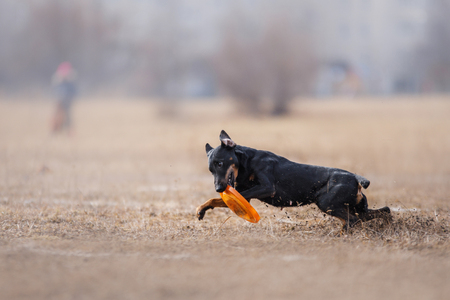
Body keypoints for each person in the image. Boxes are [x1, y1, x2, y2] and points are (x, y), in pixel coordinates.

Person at [51, 62, 77, 135]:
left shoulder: (70, 83)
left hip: (67, 102)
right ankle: (54, 132)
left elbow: (73, 92)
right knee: (57, 117)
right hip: (59, 102)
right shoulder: (58, 82)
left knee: (68, 117)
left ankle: (69, 132)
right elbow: (54, 92)